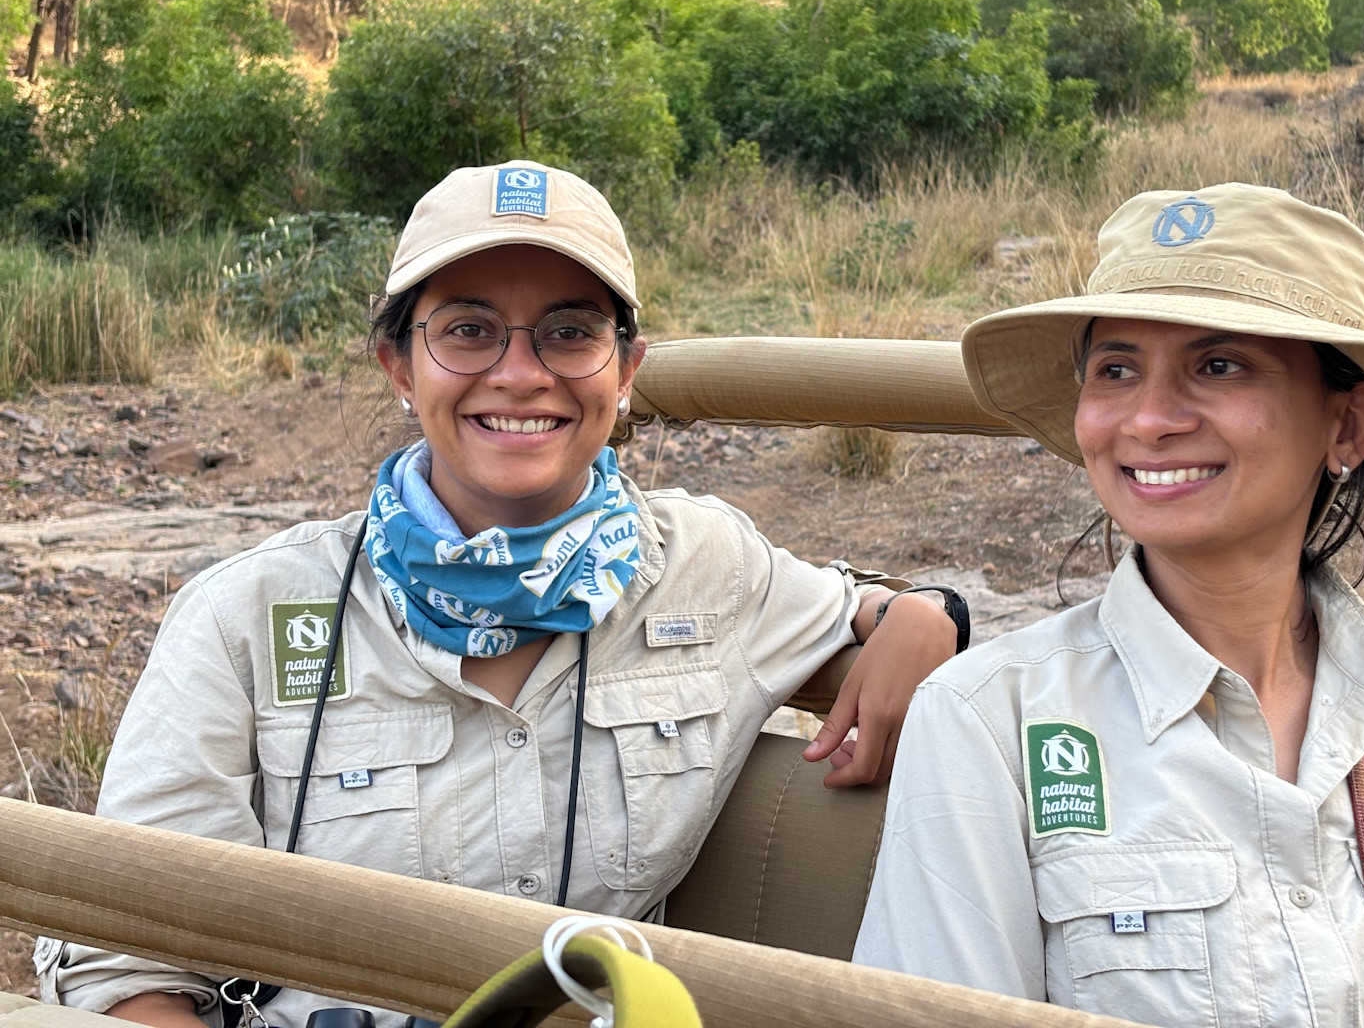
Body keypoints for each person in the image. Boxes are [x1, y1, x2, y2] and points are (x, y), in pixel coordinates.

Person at [37, 161, 961, 1028]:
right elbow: (127, 958)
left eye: (570, 331)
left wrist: (927, 615)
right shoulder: (244, 617)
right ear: (400, 363)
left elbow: (859, 605)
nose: (521, 373)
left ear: (626, 368)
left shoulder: (707, 565)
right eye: (468, 329)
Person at [853, 183, 1364, 1027]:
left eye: (1219, 365)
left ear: (1347, 426)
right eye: (1117, 369)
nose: (1150, 419)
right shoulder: (990, 724)